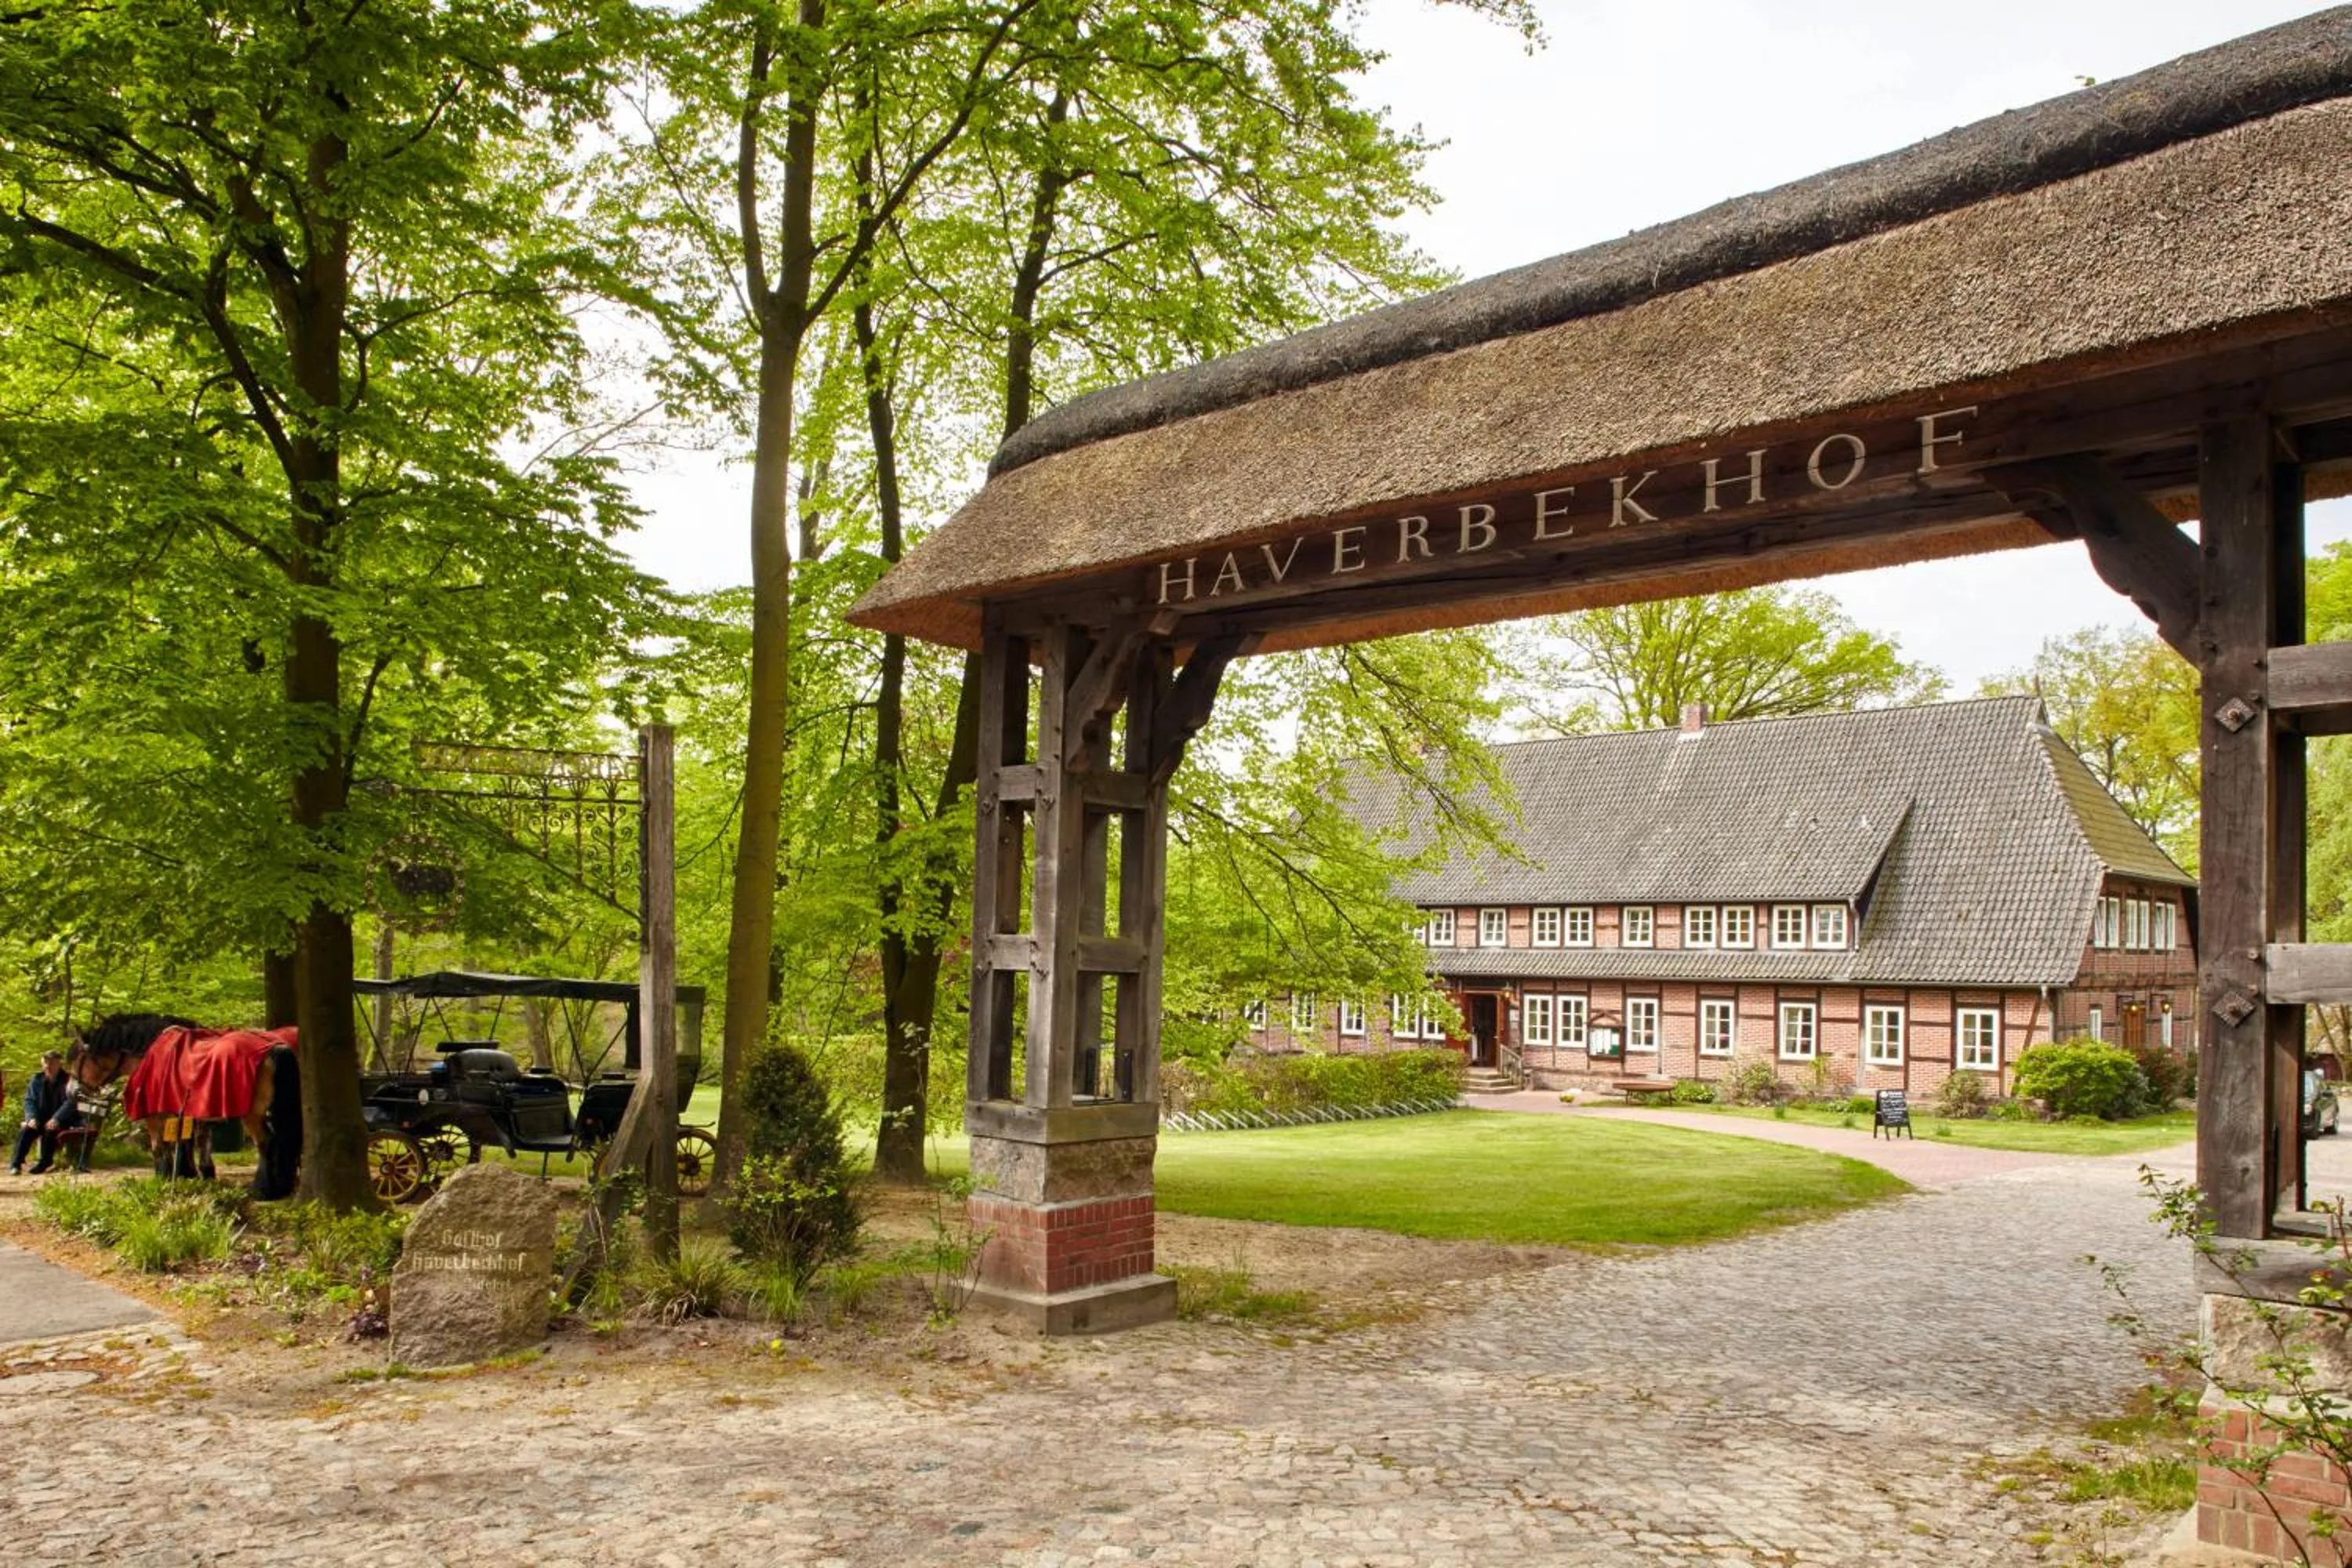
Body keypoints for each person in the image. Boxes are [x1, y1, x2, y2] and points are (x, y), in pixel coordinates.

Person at [10, 1051, 75, 1175]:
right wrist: (31, 1118)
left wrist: (57, 1118)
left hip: (63, 1119)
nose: (48, 1066)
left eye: (51, 1063)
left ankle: (45, 1162)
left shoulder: (68, 1080)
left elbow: (71, 1102)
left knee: (50, 1130)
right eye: (45, 1062)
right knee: (27, 1130)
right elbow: (30, 1101)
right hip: (40, 1117)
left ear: (58, 1063)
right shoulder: (37, 1079)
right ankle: (16, 1164)